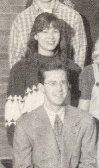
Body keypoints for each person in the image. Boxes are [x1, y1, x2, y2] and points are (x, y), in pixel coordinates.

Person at [5, 12, 81, 146]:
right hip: (32, 142)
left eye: (55, 31)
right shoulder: (21, 68)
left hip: (65, 142)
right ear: (35, 35)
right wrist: (18, 146)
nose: (51, 37)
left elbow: (77, 109)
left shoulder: (72, 68)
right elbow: (13, 111)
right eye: (45, 31)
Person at [13, 60, 97, 168]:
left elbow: (89, 164)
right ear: (41, 88)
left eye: (63, 82)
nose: (59, 89)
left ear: (68, 85)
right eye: (52, 83)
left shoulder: (85, 120)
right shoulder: (25, 124)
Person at [9, 0, 86, 69]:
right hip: (32, 82)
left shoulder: (73, 17)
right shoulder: (21, 20)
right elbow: (15, 58)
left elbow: (79, 55)